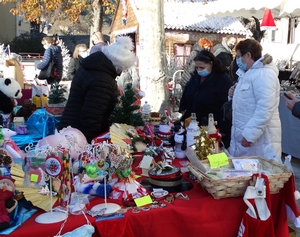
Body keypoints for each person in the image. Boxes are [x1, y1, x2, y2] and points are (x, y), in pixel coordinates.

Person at [58, 36, 136, 143]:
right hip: (78, 138)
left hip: (70, 127)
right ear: (117, 65)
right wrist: (97, 145)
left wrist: (112, 87)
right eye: (121, 69)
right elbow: (91, 119)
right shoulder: (103, 80)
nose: (120, 73)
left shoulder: (93, 66)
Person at [228, 39, 281, 162]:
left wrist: (249, 135)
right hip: (247, 140)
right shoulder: (248, 74)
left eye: (239, 56)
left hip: (259, 142)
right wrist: (231, 94)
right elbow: (246, 101)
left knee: (258, 176)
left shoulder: (264, 74)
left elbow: (264, 109)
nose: (237, 60)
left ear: (248, 55)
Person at [179, 50, 233, 148]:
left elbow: (227, 106)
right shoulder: (195, 77)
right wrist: (183, 108)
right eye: (197, 67)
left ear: (211, 64)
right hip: (194, 125)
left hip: (213, 127)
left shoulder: (223, 79)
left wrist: (223, 129)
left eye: (202, 67)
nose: (199, 70)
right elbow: (187, 92)